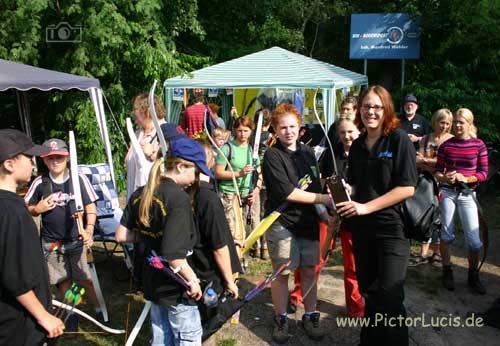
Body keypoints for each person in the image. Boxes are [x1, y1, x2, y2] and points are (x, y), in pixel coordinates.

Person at [336, 85, 417, 346]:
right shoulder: (358, 145)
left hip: (392, 230)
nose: (371, 111)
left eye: (377, 107)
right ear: (359, 109)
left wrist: (366, 207)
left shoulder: (398, 139)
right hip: (362, 230)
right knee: (370, 293)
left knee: (390, 297)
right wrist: (347, 190)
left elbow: (406, 187)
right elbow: (361, 186)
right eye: (367, 106)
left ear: (386, 109)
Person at [116, 137, 214, 345]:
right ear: (180, 167)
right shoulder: (178, 199)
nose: (196, 179)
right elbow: (174, 256)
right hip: (176, 287)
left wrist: (149, 236)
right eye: (195, 172)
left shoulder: (140, 193)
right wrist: (193, 280)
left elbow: (121, 235)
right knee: (187, 337)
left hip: (152, 282)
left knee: (161, 336)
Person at [262, 103, 334, 344]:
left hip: (309, 222)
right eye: (283, 127)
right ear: (275, 129)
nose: (288, 131)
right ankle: (281, 317)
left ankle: (311, 314)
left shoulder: (306, 152)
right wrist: (324, 199)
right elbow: (288, 192)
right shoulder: (272, 155)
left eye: (292, 126)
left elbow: (313, 186)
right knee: (282, 273)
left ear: (300, 127)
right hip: (282, 221)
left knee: (309, 271)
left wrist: (324, 214)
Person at [24, 138, 105, 329]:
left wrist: (89, 229)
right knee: (63, 281)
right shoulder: (40, 183)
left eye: (59, 157)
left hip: (77, 240)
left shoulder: (78, 179)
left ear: (67, 158)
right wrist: (38, 208)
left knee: (85, 279)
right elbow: (25, 207)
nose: (55, 162)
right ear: (44, 160)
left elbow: (90, 206)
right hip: (52, 243)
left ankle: (100, 311)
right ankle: (73, 312)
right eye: (51, 158)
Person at [0, 129, 65, 345]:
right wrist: (43, 316)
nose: (33, 164)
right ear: (9, 164)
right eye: (28, 158)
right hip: (19, 326)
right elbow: (14, 275)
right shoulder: (12, 211)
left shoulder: (11, 206)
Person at [434, 108, 488, 294]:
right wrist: (445, 178)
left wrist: (467, 179)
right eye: (455, 121)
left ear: (469, 124)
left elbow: (483, 173)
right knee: (446, 235)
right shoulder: (446, 146)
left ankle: (473, 275)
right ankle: (447, 271)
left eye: (461, 122)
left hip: (467, 194)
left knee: (474, 241)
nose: (457, 125)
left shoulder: (479, 145)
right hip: (448, 192)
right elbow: (438, 172)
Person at [409, 108, 454, 267]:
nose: (444, 126)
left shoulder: (452, 140)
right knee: (426, 215)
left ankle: (437, 252)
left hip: (444, 184)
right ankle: (423, 252)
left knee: (440, 219)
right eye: (442, 122)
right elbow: (416, 160)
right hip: (426, 183)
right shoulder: (425, 138)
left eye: (448, 123)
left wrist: (427, 161)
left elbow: (449, 164)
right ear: (435, 121)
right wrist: (434, 162)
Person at [215, 116, 262, 263]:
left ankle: (241, 257)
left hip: (246, 194)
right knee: (232, 229)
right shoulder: (227, 148)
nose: (243, 134)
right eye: (240, 130)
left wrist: (257, 190)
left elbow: (259, 174)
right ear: (235, 130)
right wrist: (239, 174)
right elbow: (218, 173)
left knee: (244, 229)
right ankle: (233, 260)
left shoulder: (251, 151)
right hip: (229, 194)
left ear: (251, 131)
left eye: (246, 131)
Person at [125, 93, 166, 200]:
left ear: (147, 111)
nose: (134, 113)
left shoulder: (164, 131)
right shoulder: (139, 134)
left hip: (153, 198)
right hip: (135, 196)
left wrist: (153, 154)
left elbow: (171, 163)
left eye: (136, 109)